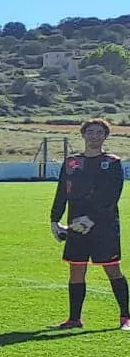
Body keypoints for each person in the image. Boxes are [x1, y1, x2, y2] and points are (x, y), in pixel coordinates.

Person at [50, 118, 128, 330]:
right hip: (76, 225)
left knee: (113, 269)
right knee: (76, 270)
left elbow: (111, 196)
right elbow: (61, 192)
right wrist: (54, 220)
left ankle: (126, 317)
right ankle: (74, 319)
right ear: (83, 135)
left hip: (104, 226)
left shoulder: (112, 162)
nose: (94, 136)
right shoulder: (71, 162)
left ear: (105, 136)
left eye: (99, 132)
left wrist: (90, 219)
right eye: (90, 132)